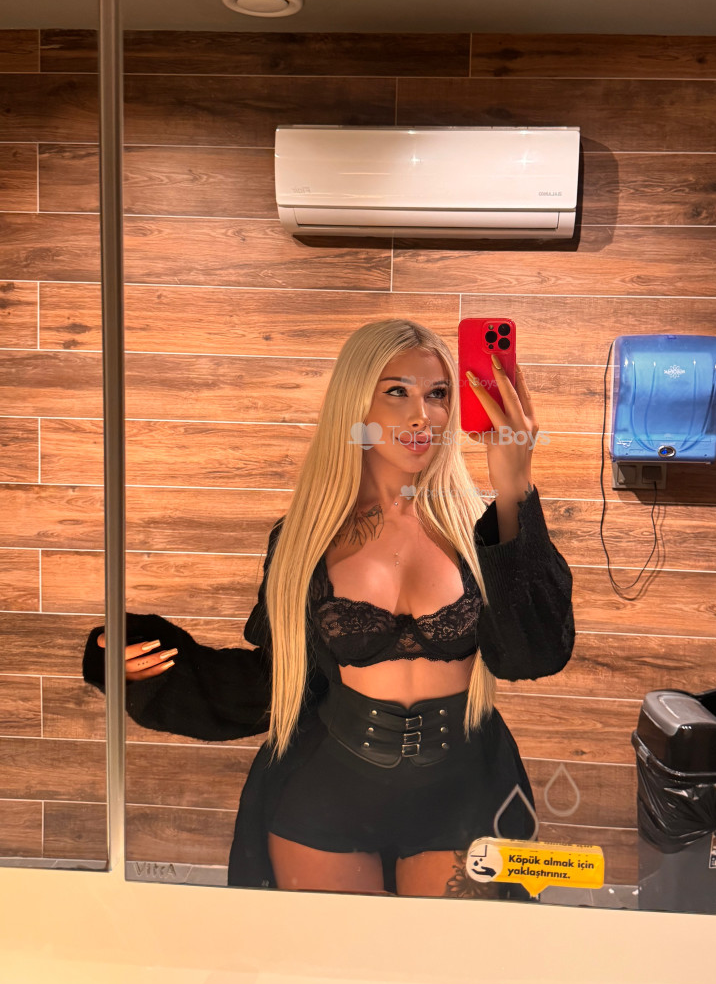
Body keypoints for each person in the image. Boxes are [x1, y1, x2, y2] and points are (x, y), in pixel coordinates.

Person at [83, 318, 575, 899]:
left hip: (465, 788)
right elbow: (276, 679)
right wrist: (147, 662)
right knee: (333, 957)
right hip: (328, 789)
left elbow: (535, 655)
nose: (423, 415)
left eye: (438, 394)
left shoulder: (479, 532)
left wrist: (514, 486)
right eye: (397, 392)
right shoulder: (305, 538)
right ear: (355, 404)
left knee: (449, 955)